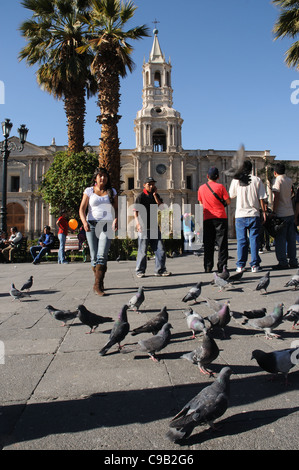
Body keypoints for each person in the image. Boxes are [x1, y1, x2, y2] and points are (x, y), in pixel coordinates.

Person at [79, 167, 118, 296]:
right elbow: (82, 209)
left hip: (106, 225)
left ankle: (97, 286)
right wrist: (84, 222)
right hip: (91, 225)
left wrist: (115, 220)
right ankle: (99, 283)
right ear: (95, 177)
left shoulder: (112, 191)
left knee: (102, 254)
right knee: (94, 256)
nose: (103, 178)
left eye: (105, 176)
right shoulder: (89, 191)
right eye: (100, 176)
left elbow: (116, 209)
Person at [229, 160, 267, 273]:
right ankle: (254, 265)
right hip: (254, 214)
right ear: (251, 169)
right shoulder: (257, 180)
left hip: (240, 214)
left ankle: (240, 265)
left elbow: (231, 195)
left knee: (241, 240)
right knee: (254, 239)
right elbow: (262, 198)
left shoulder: (236, 180)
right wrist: (264, 212)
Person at [133, 176, 171, 278]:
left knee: (160, 249)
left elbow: (162, 208)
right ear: (144, 185)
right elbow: (135, 212)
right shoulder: (140, 196)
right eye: (149, 184)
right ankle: (140, 271)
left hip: (154, 227)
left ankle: (160, 270)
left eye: (153, 184)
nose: (151, 186)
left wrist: (155, 196)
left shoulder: (156, 196)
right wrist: (137, 224)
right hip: (144, 227)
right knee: (142, 251)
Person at [197, 167, 231, 273]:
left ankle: (208, 266)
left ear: (207, 176)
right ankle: (222, 266)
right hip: (220, 217)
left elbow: (201, 204)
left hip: (207, 218)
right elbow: (228, 201)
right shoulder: (220, 187)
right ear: (218, 177)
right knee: (222, 244)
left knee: (208, 243)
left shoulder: (201, 188)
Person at [271, 163, 298, 269]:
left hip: (281, 213)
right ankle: (293, 260)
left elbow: (276, 196)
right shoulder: (289, 180)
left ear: (275, 172)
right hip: (290, 212)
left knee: (280, 239)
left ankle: (282, 262)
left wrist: (274, 211)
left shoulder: (277, 181)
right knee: (291, 239)